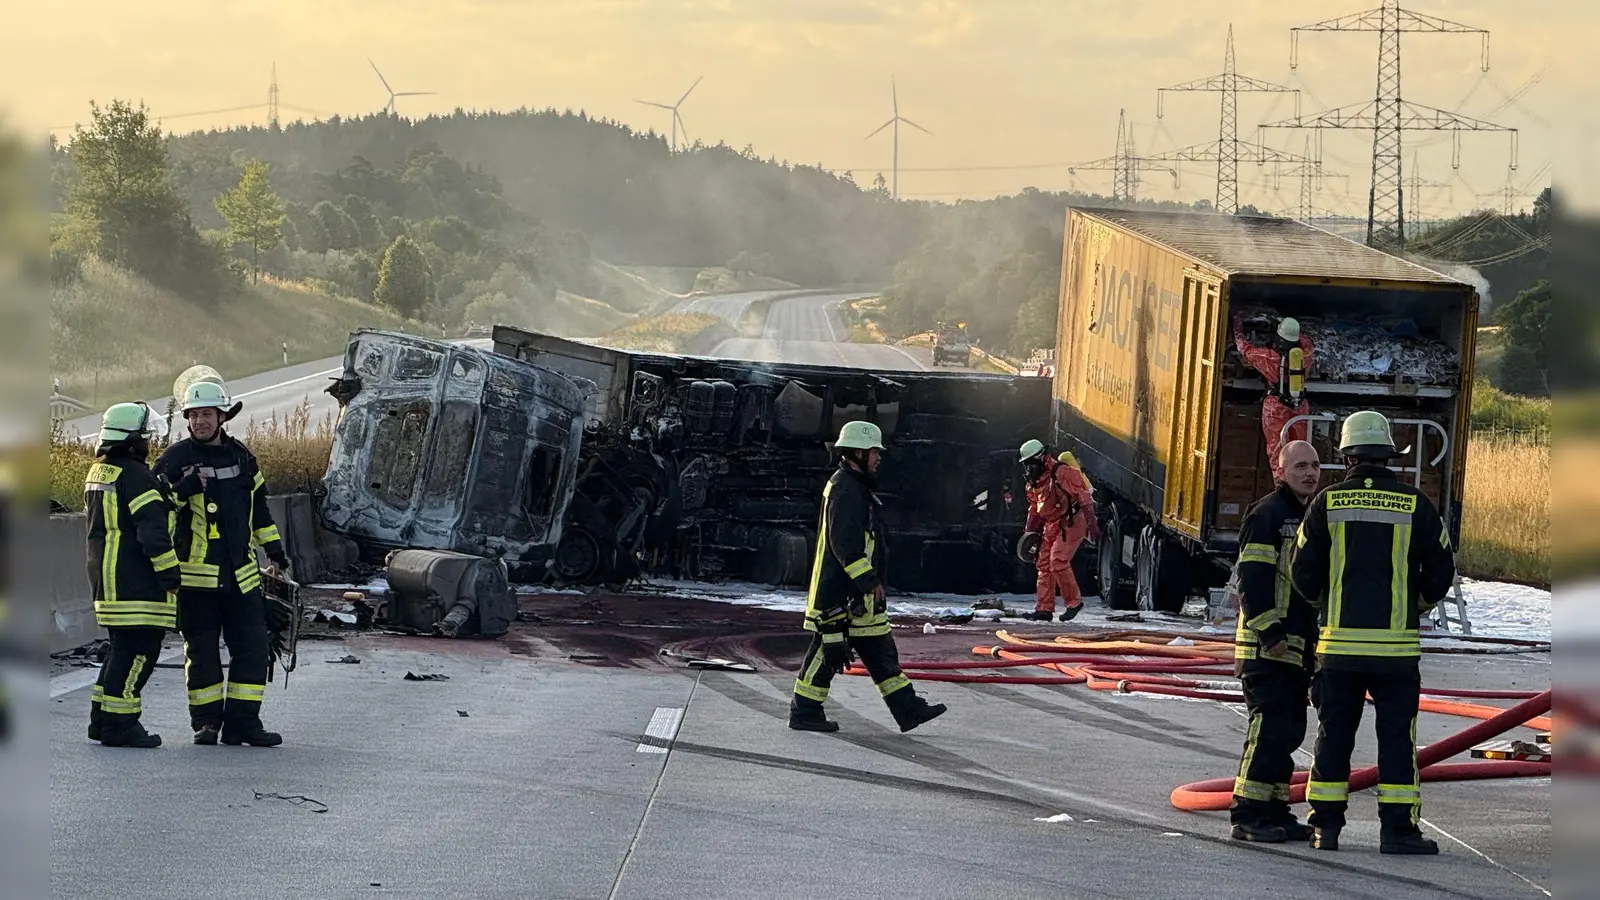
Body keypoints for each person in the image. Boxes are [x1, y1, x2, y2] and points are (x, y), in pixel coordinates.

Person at [1290, 411, 1456, 855]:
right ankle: (1398, 831)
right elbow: (1442, 568)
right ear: (1389, 455)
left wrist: (1328, 604)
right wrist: (1415, 605)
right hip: (1396, 652)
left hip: (1339, 649)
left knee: (1334, 735)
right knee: (1397, 739)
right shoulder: (1416, 504)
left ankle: (1325, 829)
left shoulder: (1327, 502)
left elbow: (1301, 571)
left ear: (1345, 456)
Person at [153, 380, 290, 748]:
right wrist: (182, 491)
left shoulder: (243, 457)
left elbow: (259, 510)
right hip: (195, 581)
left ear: (222, 416)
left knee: (253, 648)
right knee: (201, 652)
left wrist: (275, 554)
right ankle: (207, 724)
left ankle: (243, 723)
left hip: (242, 577)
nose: (200, 421)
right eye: (194, 415)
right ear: (187, 419)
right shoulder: (174, 460)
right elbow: (154, 511)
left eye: (207, 414)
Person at [789, 420, 948, 734]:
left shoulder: (854, 487)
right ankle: (804, 711)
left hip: (857, 596)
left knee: (880, 650)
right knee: (827, 652)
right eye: (874, 452)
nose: (878, 458)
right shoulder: (846, 489)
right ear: (858, 453)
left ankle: (908, 708)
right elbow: (845, 545)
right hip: (839, 595)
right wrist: (869, 581)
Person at [1228, 440, 1323, 843]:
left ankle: (1275, 809)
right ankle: (1247, 814)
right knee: (1267, 730)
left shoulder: (1311, 517)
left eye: (1315, 466)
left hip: (1297, 646)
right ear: (1281, 471)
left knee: (1289, 732)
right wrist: (1269, 632)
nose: (1310, 473)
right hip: (1267, 646)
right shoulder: (1267, 514)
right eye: (1300, 466)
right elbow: (1252, 577)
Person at [84, 402, 181, 748]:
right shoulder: (137, 475)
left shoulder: (101, 472)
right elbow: (152, 532)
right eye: (143, 435)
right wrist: (171, 574)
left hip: (107, 579)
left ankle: (101, 719)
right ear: (130, 438)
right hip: (136, 583)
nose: (147, 441)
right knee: (140, 651)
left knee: (119, 650)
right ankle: (121, 724)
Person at [1018, 441, 1098, 622]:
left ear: (1041, 458)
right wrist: (1028, 533)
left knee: (1058, 560)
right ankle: (1044, 609)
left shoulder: (1061, 473)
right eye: (1026, 464)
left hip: (1073, 520)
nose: (1029, 467)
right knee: (1043, 563)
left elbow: (1083, 496)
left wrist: (1092, 522)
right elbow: (1034, 508)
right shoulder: (1034, 483)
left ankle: (1074, 603)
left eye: (1031, 462)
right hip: (1052, 523)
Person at [1233, 312, 1314, 482]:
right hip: (1300, 407)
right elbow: (1306, 342)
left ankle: (1281, 484)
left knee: (1277, 451)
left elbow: (1244, 349)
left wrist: (1237, 327)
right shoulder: (1306, 355)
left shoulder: (1269, 358)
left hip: (1276, 407)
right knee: (1301, 449)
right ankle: (1302, 485)